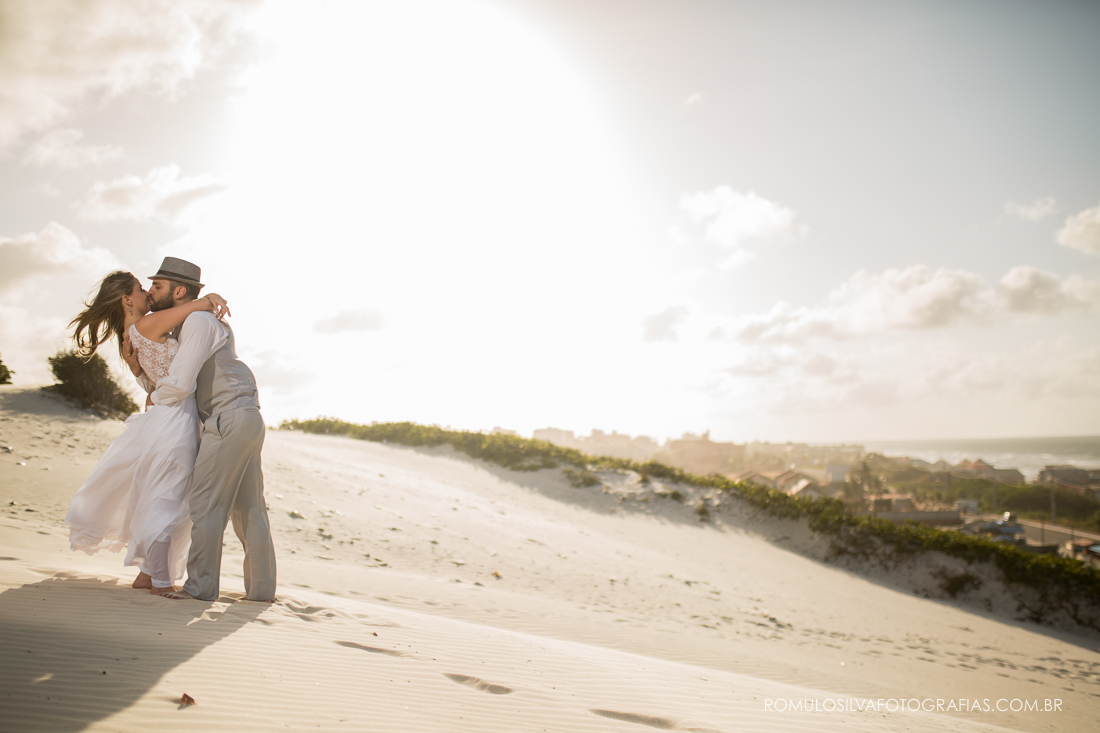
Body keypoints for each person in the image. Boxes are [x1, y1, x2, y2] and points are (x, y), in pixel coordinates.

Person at [64, 269, 229, 595]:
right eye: (142, 288)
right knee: (166, 497)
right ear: (127, 299)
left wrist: (139, 371)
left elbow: (153, 385)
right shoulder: (147, 324)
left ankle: (147, 574)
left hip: (161, 417)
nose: (147, 294)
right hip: (174, 419)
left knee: (158, 494)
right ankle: (162, 582)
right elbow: (193, 308)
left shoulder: (131, 333)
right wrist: (209, 299)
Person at [127, 257, 276, 602]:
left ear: (179, 291)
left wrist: (153, 398)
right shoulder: (191, 320)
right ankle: (261, 592)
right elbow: (171, 377)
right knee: (248, 506)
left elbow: (178, 385)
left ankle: (199, 589)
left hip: (227, 418)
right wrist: (141, 373)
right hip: (243, 415)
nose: (151, 292)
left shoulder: (196, 320)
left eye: (158, 286)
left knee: (206, 505)